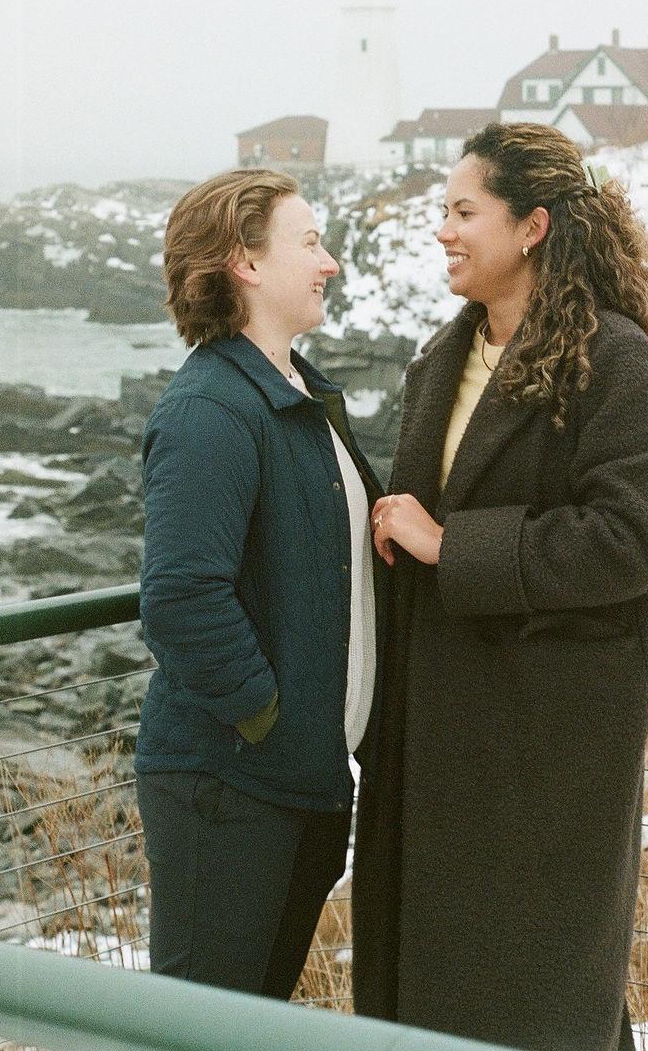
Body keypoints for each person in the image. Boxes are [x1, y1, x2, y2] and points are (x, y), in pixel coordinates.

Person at [352, 122, 648, 1051]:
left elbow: (634, 536)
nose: (444, 232)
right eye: (443, 213)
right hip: (431, 747)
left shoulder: (614, 358)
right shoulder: (438, 362)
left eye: (465, 212)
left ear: (533, 226)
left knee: (540, 1002)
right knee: (430, 1001)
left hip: (545, 751)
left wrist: (449, 544)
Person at [135, 168, 383, 999]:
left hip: (299, 780)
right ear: (244, 261)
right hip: (231, 786)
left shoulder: (295, 395)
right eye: (309, 242)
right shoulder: (211, 409)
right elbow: (181, 596)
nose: (331, 262)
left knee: (253, 1022)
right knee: (199, 1030)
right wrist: (266, 717)